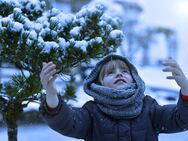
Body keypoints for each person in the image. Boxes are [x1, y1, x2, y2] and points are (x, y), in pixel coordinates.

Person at [39, 54, 188, 141]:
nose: (118, 73)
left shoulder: (149, 107)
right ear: (100, 83)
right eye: (110, 72)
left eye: (124, 71)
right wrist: (51, 94)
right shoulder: (91, 112)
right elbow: (66, 122)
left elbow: (181, 120)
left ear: (134, 78)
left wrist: (186, 89)